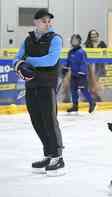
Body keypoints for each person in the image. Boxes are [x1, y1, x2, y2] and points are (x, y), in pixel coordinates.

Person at [13, 8, 65, 176]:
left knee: (50, 121)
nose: (47, 23)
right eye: (44, 21)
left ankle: (58, 158)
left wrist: (27, 61)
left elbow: (51, 59)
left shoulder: (55, 39)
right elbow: (16, 59)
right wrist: (18, 65)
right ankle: (48, 154)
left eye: (49, 21)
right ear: (35, 22)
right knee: (37, 122)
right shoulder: (27, 40)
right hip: (31, 87)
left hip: (47, 86)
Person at [64, 34, 96, 113]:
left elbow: (83, 63)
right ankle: (75, 106)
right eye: (73, 40)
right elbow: (68, 62)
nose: (74, 41)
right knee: (73, 90)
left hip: (82, 76)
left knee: (83, 90)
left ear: (79, 41)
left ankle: (92, 102)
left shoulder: (82, 52)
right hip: (73, 75)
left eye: (76, 40)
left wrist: (82, 72)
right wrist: (65, 68)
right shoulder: (70, 52)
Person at [84, 29, 107, 102]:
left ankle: (96, 96)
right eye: (91, 35)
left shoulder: (102, 43)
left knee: (96, 80)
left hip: (99, 65)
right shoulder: (88, 44)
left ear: (97, 35)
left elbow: (106, 53)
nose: (93, 36)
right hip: (90, 65)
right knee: (90, 81)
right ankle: (92, 97)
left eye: (94, 34)